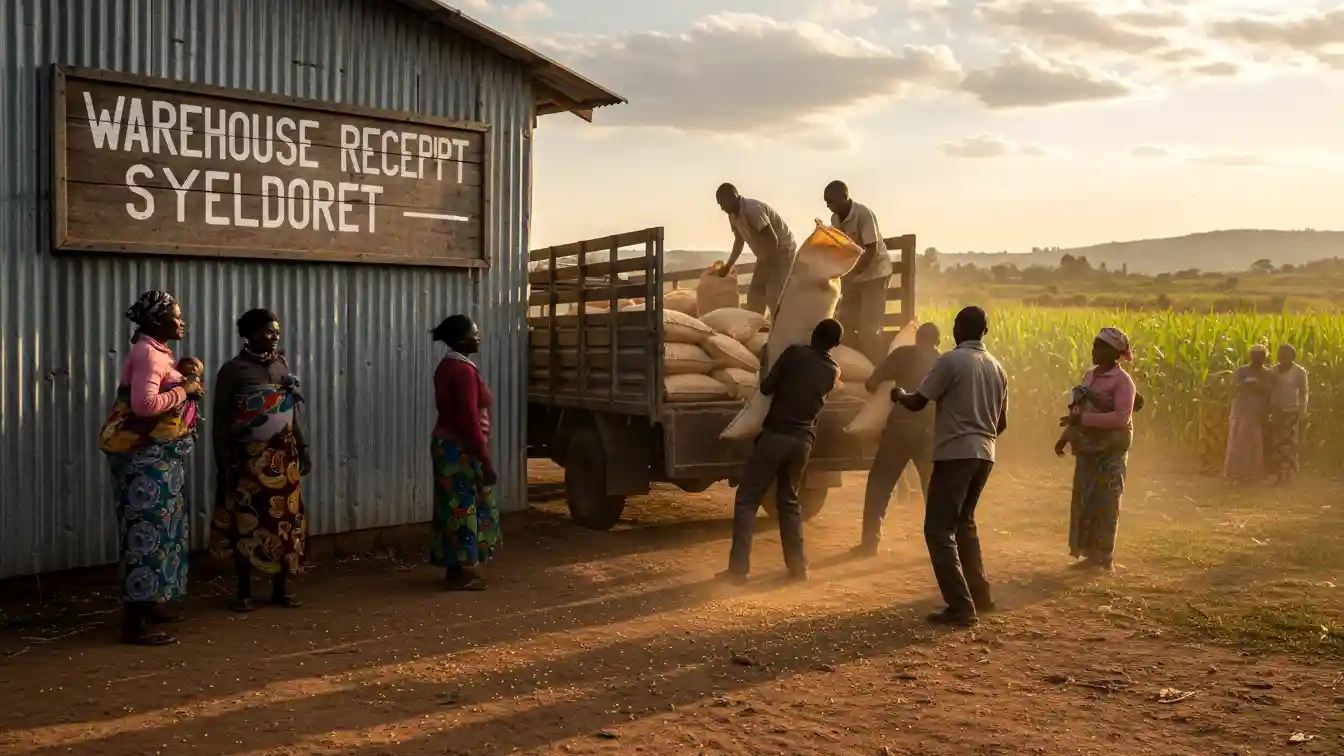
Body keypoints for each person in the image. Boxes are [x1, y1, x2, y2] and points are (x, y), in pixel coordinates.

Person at [99, 290, 204, 645]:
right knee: (144, 534)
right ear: (157, 321)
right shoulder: (147, 352)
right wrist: (186, 391)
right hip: (145, 464)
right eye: (175, 315)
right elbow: (144, 406)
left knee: (162, 531)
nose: (181, 321)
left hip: (160, 461)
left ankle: (152, 602)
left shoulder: (157, 351)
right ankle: (135, 622)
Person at [893, 306, 1006, 627]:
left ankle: (960, 606)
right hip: (985, 454)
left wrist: (899, 394)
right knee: (964, 525)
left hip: (955, 453)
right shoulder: (997, 367)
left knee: (938, 530)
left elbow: (918, 402)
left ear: (958, 328)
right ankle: (980, 596)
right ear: (985, 331)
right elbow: (1002, 422)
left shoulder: (951, 360)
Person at [720, 319, 843, 584]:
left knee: (748, 499)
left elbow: (766, 388)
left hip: (776, 435)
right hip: (803, 442)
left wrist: (767, 364)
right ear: (836, 345)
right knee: (789, 502)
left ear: (813, 334)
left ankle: (739, 570)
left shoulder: (795, 353)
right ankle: (798, 568)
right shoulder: (834, 371)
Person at [211, 309, 312, 612]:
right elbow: (220, 420)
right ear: (250, 334)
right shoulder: (232, 371)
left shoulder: (281, 366)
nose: (274, 336)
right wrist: (223, 461)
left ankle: (281, 589)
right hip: (247, 460)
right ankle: (243, 591)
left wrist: (303, 448)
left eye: (277, 331)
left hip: (283, 458)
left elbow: (292, 411)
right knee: (247, 523)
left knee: (283, 524)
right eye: (268, 331)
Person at [853, 322, 942, 558]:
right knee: (933, 492)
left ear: (917, 338)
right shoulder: (944, 362)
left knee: (879, 485)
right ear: (937, 342)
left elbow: (871, 383)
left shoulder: (902, 354)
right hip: (929, 434)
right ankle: (942, 546)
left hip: (900, 430)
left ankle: (870, 544)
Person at [1055, 328, 1137, 573]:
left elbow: (1122, 418)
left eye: (1100, 347)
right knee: (1085, 500)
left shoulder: (1124, 382)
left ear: (1114, 354)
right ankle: (1089, 554)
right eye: (1094, 346)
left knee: (1107, 500)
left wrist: (1083, 422)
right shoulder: (1090, 375)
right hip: (1089, 448)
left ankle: (1104, 556)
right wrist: (1066, 436)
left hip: (1111, 450)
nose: (1094, 351)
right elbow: (1079, 409)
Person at [430, 315, 502, 590]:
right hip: (460, 448)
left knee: (452, 506)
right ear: (462, 339)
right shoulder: (462, 372)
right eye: (475, 333)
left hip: (448, 445)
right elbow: (469, 421)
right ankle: (464, 570)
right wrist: (485, 460)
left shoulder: (448, 366)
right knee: (464, 507)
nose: (479, 337)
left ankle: (454, 568)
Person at [824, 180, 892, 364]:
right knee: (843, 325)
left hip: (875, 274)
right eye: (827, 203)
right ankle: (853, 365)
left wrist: (851, 275)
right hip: (854, 276)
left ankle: (878, 369)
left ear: (845, 198)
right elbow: (839, 248)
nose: (829, 206)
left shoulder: (864, 215)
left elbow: (871, 249)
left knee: (868, 332)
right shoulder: (835, 220)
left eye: (833, 202)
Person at [715, 183, 797, 318]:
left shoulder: (753, 210)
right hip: (765, 254)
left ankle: (783, 330)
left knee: (774, 293)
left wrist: (767, 267)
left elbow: (772, 240)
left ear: (734, 197)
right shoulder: (733, 216)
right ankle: (755, 327)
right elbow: (739, 241)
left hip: (782, 251)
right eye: (720, 204)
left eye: (723, 203)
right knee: (755, 293)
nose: (722, 208)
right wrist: (728, 266)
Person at [1224, 345, 1273, 482]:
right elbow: (1236, 386)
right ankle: (1235, 472)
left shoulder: (1268, 373)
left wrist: (1251, 386)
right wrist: (1254, 386)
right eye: (1256, 355)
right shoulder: (1242, 371)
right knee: (1238, 441)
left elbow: (1268, 390)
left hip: (1257, 412)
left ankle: (1252, 473)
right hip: (1242, 410)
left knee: (1255, 443)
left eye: (1261, 355)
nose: (1258, 358)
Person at [1268, 344, 1309, 484]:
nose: (1282, 357)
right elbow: (1269, 391)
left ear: (1293, 356)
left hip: (1291, 410)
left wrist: (1302, 411)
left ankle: (1286, 474)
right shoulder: (1273, 371)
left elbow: (1304, 393)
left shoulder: (1299, 372)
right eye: (1280, 354)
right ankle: (1281, 474)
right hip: (1276, 411)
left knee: (1289, 443)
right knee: (1278, 443)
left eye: (1285, 354)